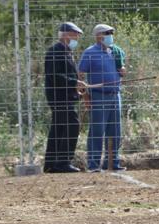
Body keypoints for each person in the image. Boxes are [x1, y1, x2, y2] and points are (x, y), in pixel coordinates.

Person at [78, 24, 127, 172]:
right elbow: (80, 75)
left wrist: (123, 71)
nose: (110, 35)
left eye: (111, 33)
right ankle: (93, 165)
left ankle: (112, 163)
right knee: (97, 130)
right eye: (107, 33)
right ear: (98, 35)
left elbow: (121, 69)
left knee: (115, 131)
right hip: (98, 96)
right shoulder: (89, 53)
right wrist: (86, 95)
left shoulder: (116, 51)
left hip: (115, 95)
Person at [43, 22, 85, 173]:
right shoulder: (55, 51)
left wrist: (76, 91)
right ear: (66, 34)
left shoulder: (66, 52)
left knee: (59, 128)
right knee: (72, 125)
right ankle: (62, 162)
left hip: (66, 96)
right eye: (75, 35)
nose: (77, 38)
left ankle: (51, 164)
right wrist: (75, 82)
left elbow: (66, 75)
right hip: (59, 97)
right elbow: (54, 75)